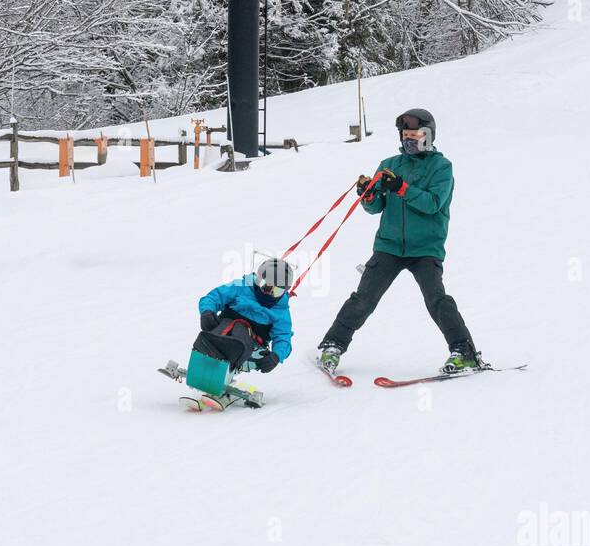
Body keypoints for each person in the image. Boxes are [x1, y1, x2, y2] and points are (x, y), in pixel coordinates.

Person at [317, 108, 483, 374]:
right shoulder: (389, 165)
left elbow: (432, 204)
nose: (410, 140)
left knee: (436, 300)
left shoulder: (441, 167)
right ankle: (333, 345)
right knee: (363, 299)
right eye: (406, 135)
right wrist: (367, 195)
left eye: (415, 135)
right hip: (389, 245)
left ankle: (464, 352)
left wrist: (402, 188)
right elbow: (376, 207)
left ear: (428, 135)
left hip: (425, 248)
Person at [192, 258, 294, 393]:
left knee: (239, 334)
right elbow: (214, 297)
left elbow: (283, 337)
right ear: (257, 279)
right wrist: (207, 312)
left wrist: (276, 356)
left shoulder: (281, 311)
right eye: (264, 285)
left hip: (253, 348)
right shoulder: (242, 287)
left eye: (275, 291)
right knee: (229, 331)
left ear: (285, 291)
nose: (267, 293)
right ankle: (204, 367)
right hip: (224, 330)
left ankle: (220, 377)